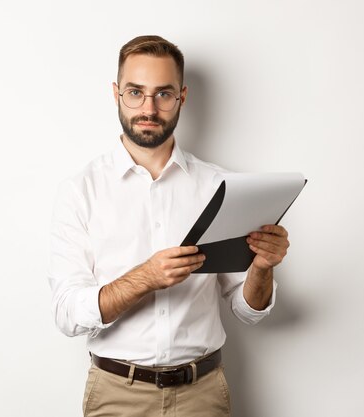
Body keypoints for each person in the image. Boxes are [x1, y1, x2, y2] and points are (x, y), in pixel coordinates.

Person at [48, 35, 290, 417]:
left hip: (203, 395)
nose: (149, 108)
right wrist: (145, 277)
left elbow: (249, 311)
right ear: (116, 94)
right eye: (135, 92)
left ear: (182, 97)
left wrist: (262, 267)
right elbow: (67, 313)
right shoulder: (81, 191)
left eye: (163, 94)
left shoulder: (219, 187)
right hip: (117, 394)